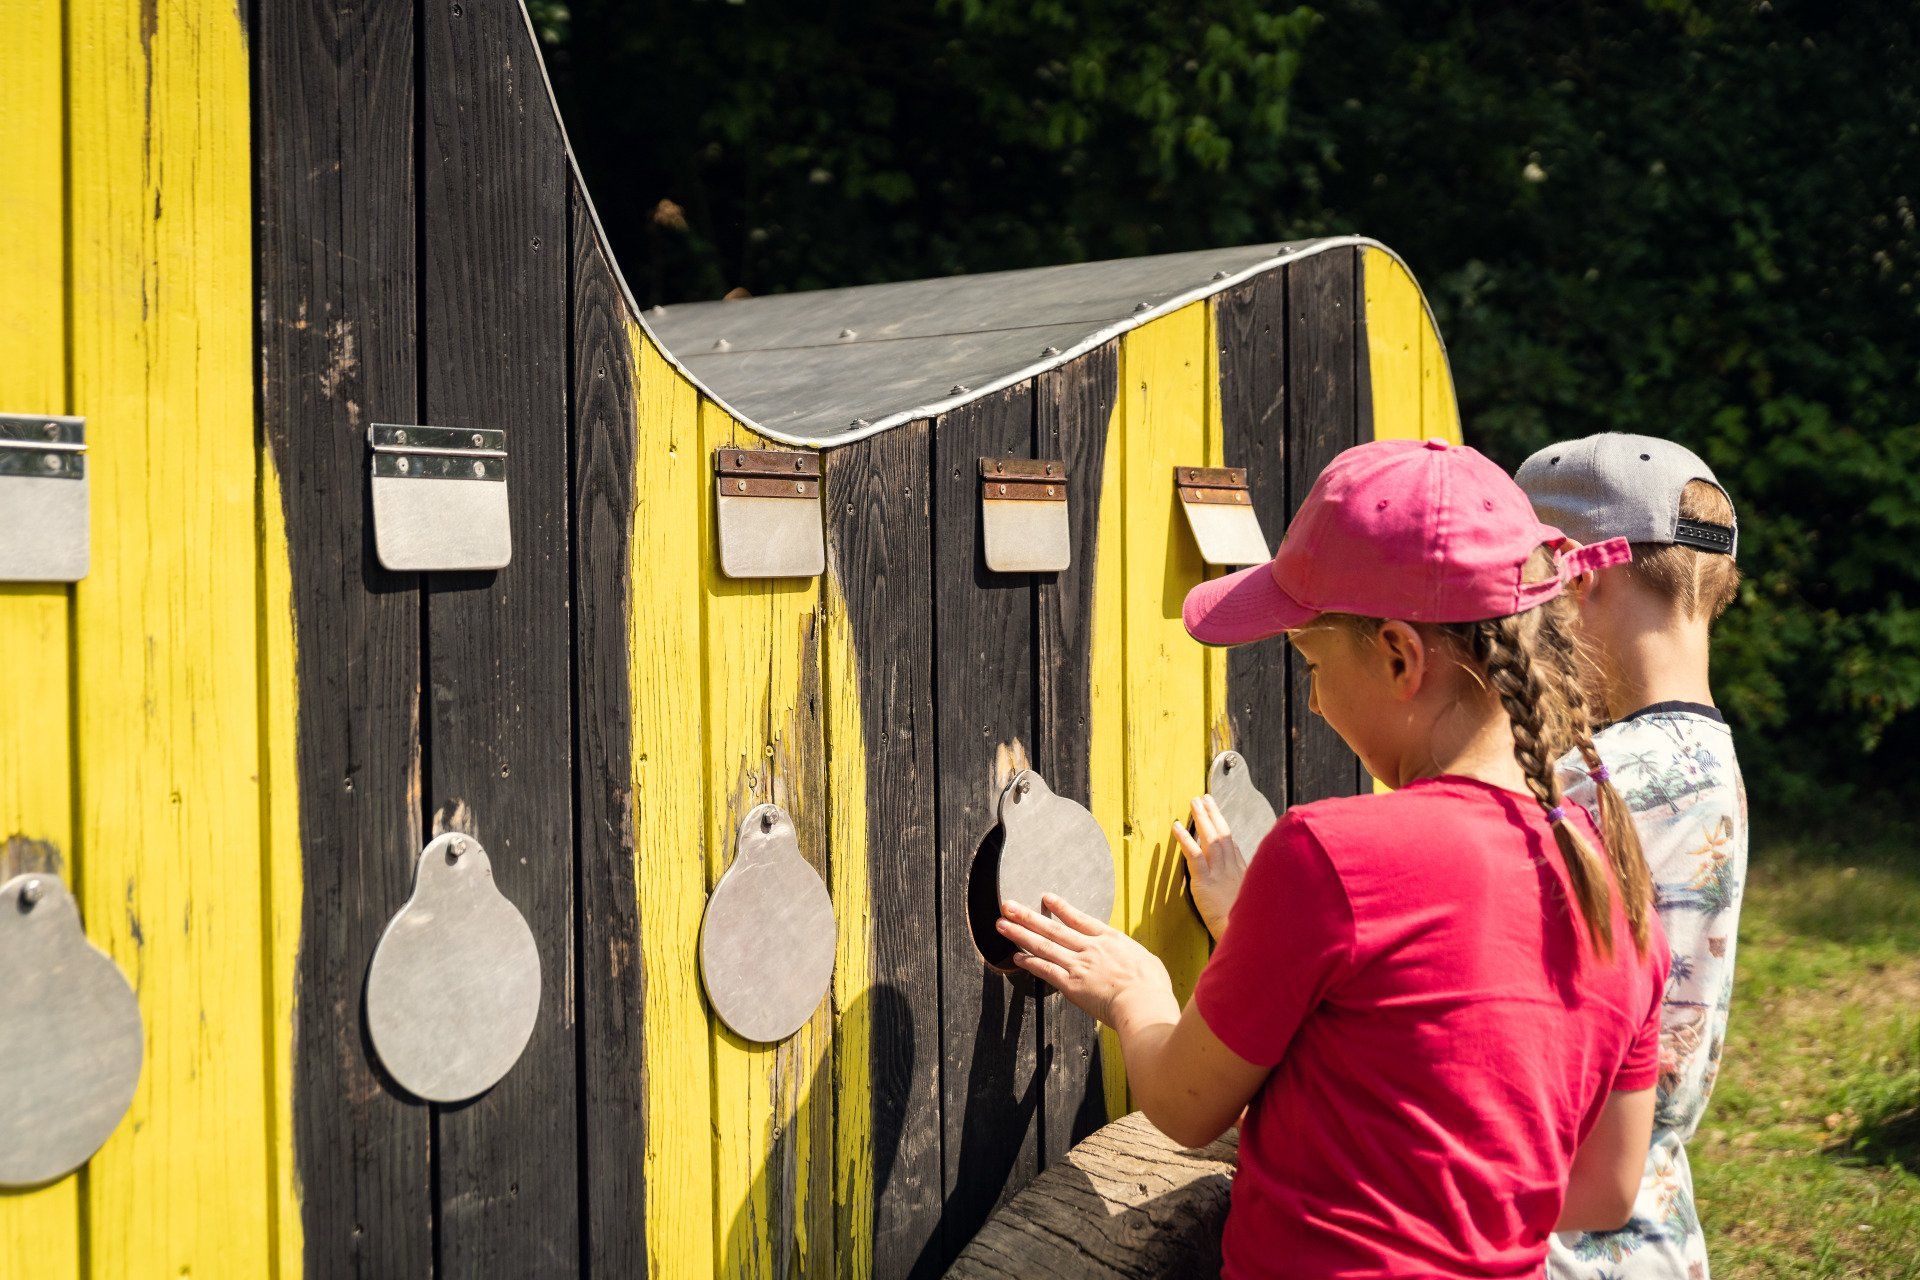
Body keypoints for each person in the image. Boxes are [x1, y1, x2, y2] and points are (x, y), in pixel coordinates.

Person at [997, 437, 1669, 1279]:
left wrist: (1137, 994)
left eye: (1312, 663)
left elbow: (1180, 1105)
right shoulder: (1615, 882)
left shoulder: (1330, 854)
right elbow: (1604, 1189)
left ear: (1398, 656)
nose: (1310, 701)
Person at [1516, 434, 1748, 1280]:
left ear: (1577, 577)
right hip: (1656, 1222)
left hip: (1555, 1232)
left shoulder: (1594, 782)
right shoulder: (1707, 761)